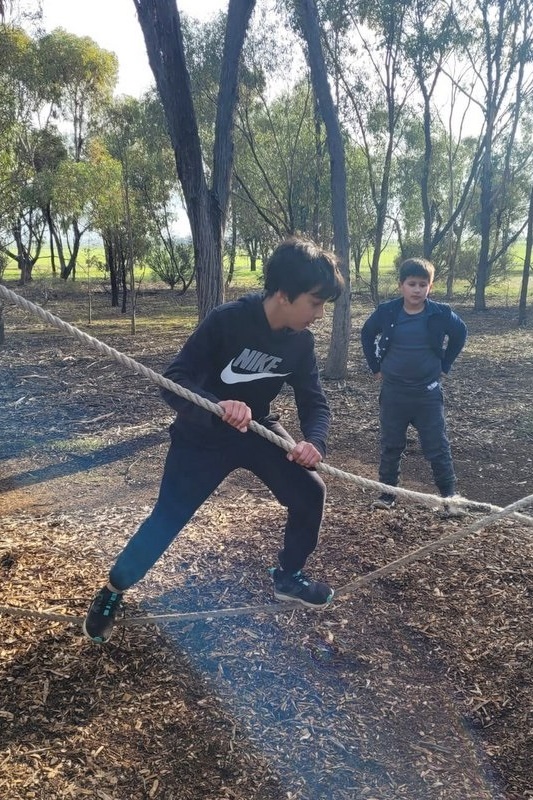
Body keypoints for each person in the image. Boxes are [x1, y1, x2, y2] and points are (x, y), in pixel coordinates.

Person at [83, 237, 345, 643]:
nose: (319, 313)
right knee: (167, 518)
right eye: (315, 302)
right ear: (283, 293)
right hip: (201, 437)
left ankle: (287, 576)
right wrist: (217, 405)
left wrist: (315, 443)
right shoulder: (227, 321)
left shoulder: (300, 342)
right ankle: (114, 589)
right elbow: (174, 383)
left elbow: (315, 402)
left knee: (310, 491)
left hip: (257, 430)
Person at [360, 257, 467, 511]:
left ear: (430, 286)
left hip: (427, 394)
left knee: (437, 446)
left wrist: (445, 365)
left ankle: (449, 498)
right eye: (412, 284)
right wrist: (375, 367)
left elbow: (460, 334)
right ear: (401, 285)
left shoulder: (440, 313)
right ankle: (387, 495)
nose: (417, 290)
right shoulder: (387, 311)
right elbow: (366, 333)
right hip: (394, 393)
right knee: (391, 445)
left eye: (423, 284)